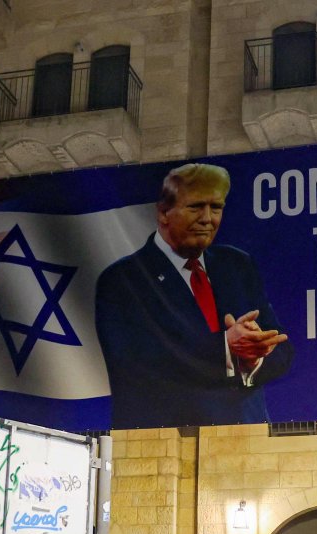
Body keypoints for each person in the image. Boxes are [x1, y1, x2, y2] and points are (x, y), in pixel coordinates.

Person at [95, 163, 293, 429]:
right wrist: (227, 347)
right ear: (164, 213)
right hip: (164, 444)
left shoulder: (237, 264)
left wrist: (254, 356)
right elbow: (143, 365)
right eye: (195, 207)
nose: (207, 219)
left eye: (216, 208)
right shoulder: (121, 280)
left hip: (249, 441)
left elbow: (281, 350)